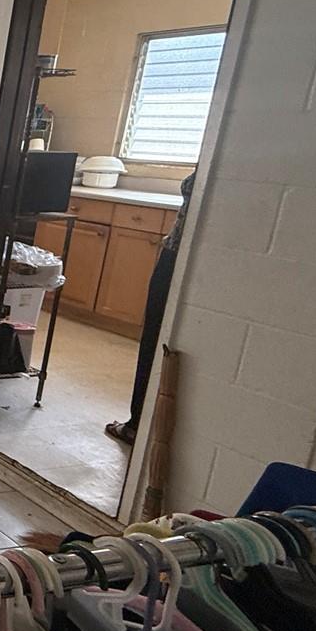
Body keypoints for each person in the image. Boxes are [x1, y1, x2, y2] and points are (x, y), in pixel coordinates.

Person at [106, 168, 195, 444]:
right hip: (189, 257)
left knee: (154, 344)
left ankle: (138, 424)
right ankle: (141, 423)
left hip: (178, 256)